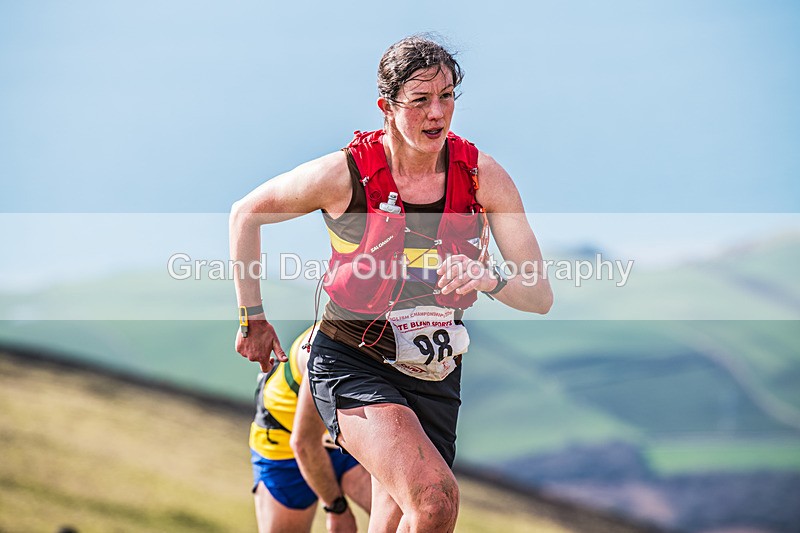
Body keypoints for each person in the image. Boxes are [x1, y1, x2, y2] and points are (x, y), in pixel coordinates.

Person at [231, 34, 553, 532]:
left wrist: (489, 279)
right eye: (420, 100)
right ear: (387, 106)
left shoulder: (483, 177)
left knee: (397, 521)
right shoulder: (345, 175)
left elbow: (539, 297)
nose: (437, 113)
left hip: (434, 371)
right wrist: (253, 318)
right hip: (353, 357)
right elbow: (245, 214)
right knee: (436, 501)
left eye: (446, 96)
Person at [249, 327, 371, 532]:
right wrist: (337, 509)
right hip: (284, 447)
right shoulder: (326, 344)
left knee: (405, 513)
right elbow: (303, 443)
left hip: (340, 440)